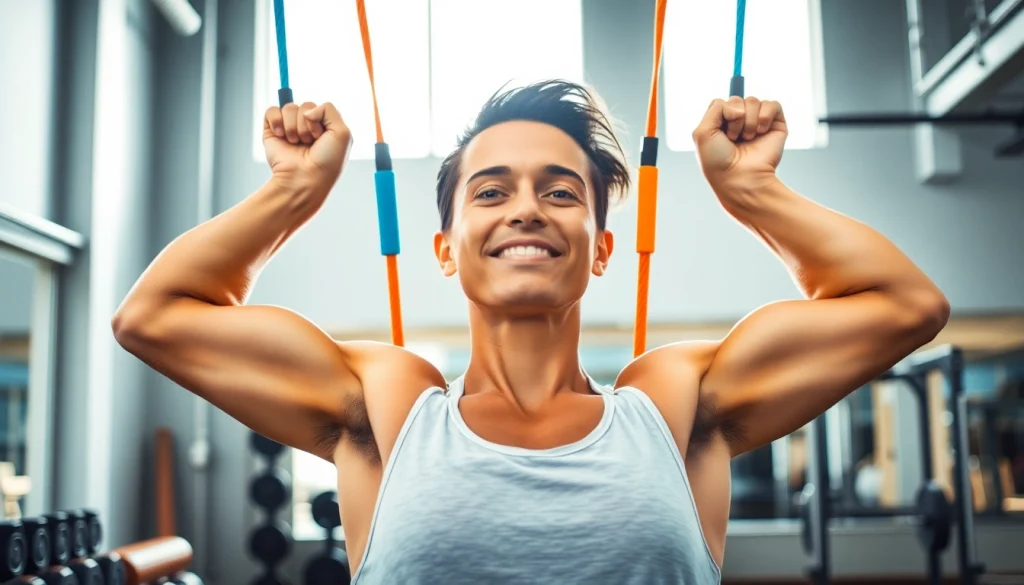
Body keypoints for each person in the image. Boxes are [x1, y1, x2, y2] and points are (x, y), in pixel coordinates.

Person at [112, 80, 949, 584]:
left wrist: (757, 194)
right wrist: (289, 194)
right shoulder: (389, 402)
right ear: (445, 249)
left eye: (559, 191)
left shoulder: (674, 401)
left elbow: (905, 305)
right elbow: (154, 317)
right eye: (489, 190)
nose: (523, 208)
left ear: (600, 246)